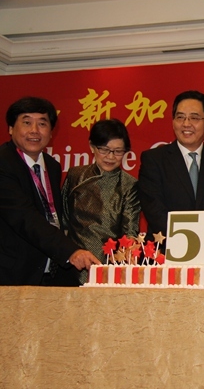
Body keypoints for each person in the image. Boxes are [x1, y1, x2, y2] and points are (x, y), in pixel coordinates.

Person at [0, 97, 100, 286]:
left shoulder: (52, 166)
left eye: (42, 124)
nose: (34, 130)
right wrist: (70, 251)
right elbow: (25, 217)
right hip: (12, 275)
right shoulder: (3, 163)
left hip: (48, 272)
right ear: (11, 128)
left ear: (51, 132)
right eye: (27, 122)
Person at [138, 90, 204, 237]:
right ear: (173, 122)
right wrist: (186, 239)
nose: (186, 124)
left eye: (194, 118)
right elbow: (154, 210)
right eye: (180, 117)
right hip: (165, 245)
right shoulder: (153, 159)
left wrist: (202, 240)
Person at [62, 119, 141, 285]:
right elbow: (63, 221)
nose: (110, 157)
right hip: (73, 263)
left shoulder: (129, 184)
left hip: (109, 267)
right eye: (104, 150)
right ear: (92, 147)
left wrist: (128, 251)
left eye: (118, 151)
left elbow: (130, 231)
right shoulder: (75, 176)